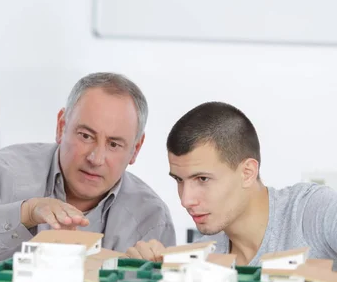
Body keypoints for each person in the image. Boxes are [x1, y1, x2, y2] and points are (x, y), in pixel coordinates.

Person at [0, 72, 175, 274]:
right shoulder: (0, 174)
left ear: (136, 149)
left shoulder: (151, 218)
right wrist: (23, 215)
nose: (96, 158)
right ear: (61, 126)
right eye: (86, 136)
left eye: (114, 144)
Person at [126, 101, 337, 267]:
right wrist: (155, 276)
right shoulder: (203, 258)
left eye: (202, 179)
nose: (185, 199)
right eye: (179, 180)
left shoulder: (312, 212)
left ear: (247, 173)